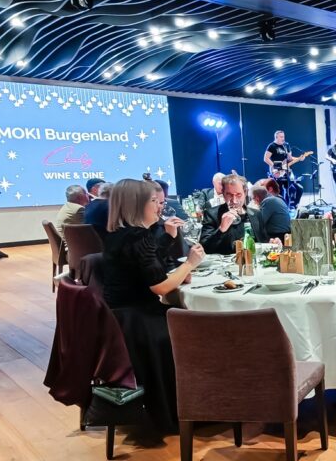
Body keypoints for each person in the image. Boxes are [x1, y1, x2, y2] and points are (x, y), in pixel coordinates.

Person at [101, 178, 205, 433]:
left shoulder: (121, 234)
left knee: (188, 317)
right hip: (138, 323)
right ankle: (192, 406)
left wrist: (178, 268)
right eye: (154, 201)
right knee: (199, 328)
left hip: (120, 318)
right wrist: (189, 264)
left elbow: (150, 266)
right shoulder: (137, 237)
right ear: (137, 205)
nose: (160, 206)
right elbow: (160, 287)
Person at [200, 173, 267, 254]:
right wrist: (221, 229)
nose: (234, 201)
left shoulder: (256, 214)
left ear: (245, 193)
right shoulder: (211, 214)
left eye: (238, 195)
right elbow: (204, 248)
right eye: (229, 195)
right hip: (225, 261)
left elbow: (264, 242)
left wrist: (272, 243)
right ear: (223, 194)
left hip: (251, 259)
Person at [264, 130, 307, 207]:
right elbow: (266, 158)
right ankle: (280, 207)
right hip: (276, 172)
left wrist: (299, 158)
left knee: (295, 189)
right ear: (276, 137)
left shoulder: (286, 145)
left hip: (286, 170)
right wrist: (275, 166)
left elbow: (290, 158)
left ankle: (290, 206)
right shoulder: (272, 146)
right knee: (279, 191)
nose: (283, 138)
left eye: (283, 136)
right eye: (281, 137)